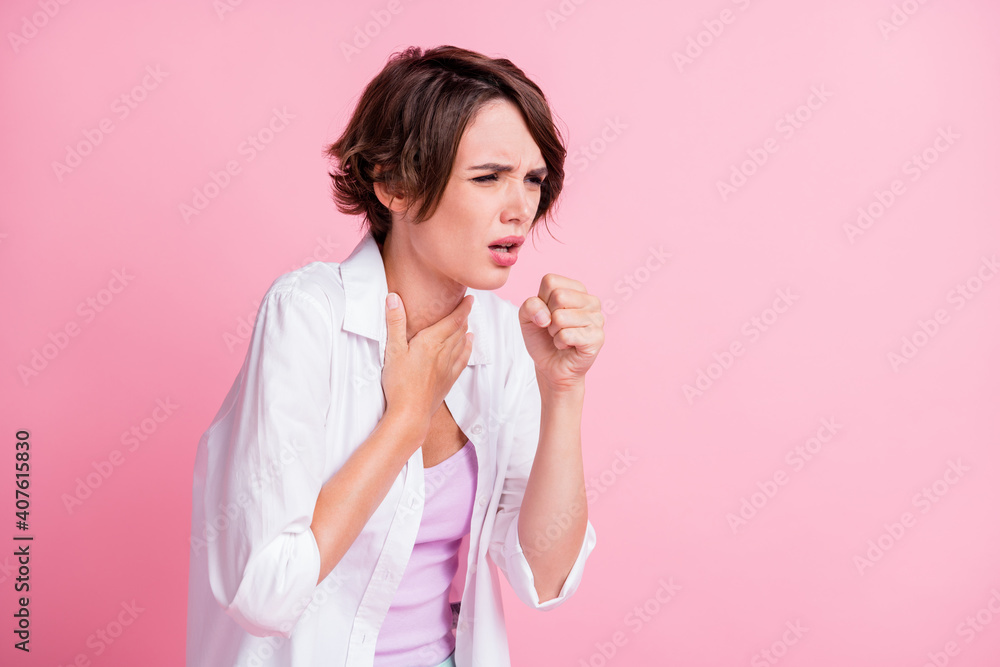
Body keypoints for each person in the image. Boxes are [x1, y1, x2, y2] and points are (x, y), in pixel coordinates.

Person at [186, 44, 603, 667]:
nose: (521, 208)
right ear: (395, 186)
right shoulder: (308, 315)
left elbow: (543, 579)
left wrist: (564, 389)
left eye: (533, 179)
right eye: (488, 177)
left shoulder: (504, 338)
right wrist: (406, 419)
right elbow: (264, 595)